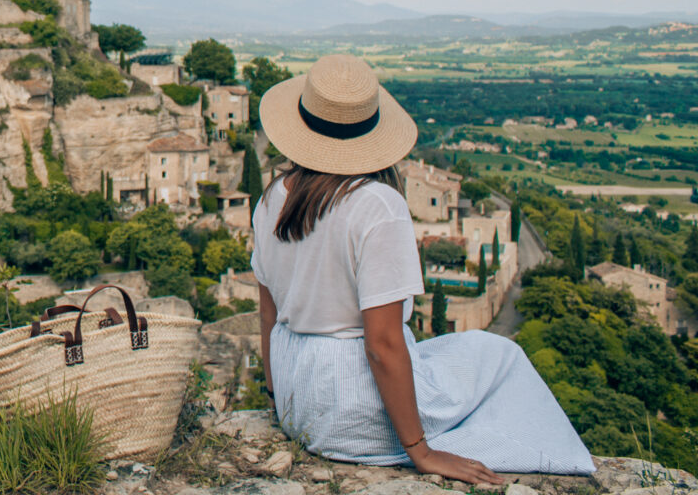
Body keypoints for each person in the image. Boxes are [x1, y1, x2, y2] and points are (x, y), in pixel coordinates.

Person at [251, 54, 593, 482]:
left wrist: (275, 395)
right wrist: (421, 452)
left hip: (295, 397)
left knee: (455, 355)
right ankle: (563, 462)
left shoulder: (271, 198)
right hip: (349, 406)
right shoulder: (377, 205)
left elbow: (267, 314)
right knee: (500, 355)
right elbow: (382, 343)